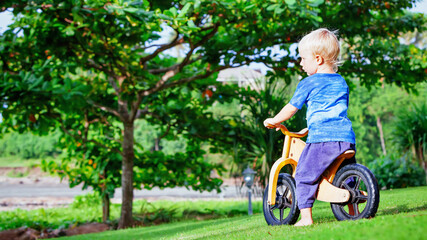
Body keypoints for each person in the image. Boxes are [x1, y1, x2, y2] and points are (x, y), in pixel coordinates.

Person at [263, 28, 356, 226]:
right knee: (345, 173)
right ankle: (354, 209)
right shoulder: (341, 82)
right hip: (345, 137)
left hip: (322, 138)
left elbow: (291, 108)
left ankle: (306, 218)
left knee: (303, 174)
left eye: (303, 58)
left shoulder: (308, 83)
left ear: (318, 59)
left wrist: (275, 120)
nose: (301, 63)